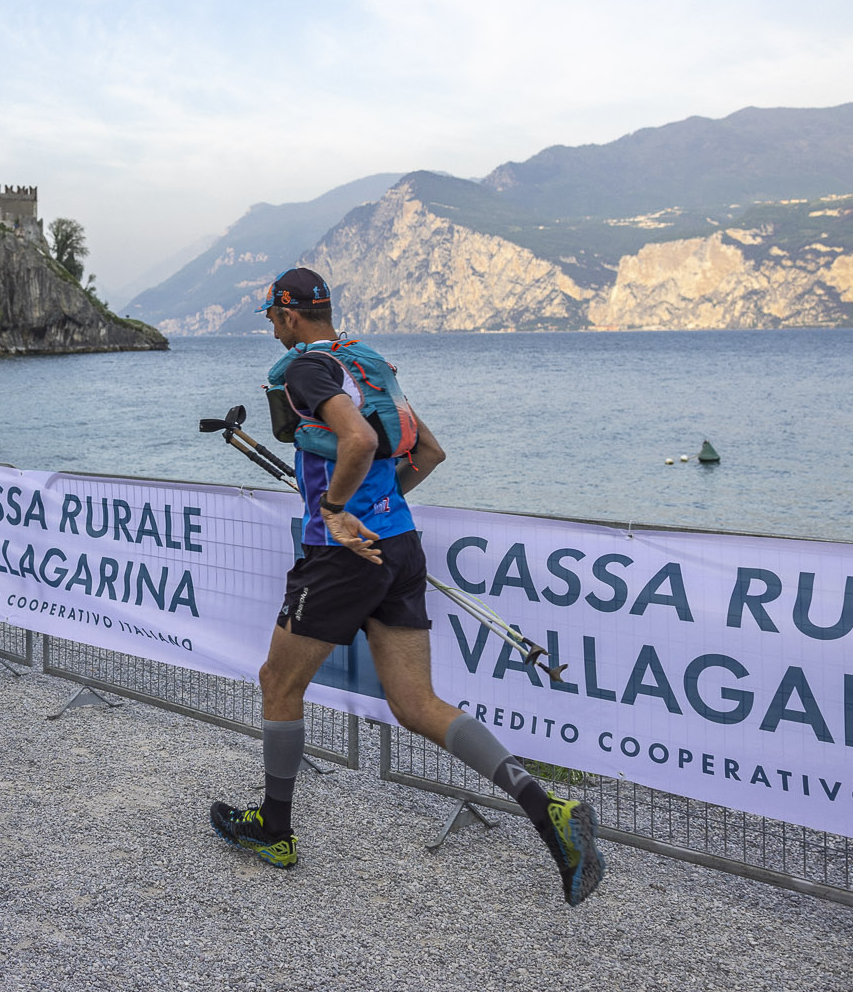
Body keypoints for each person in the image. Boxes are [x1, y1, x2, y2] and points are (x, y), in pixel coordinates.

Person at [208, 268, 606, 906]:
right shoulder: (368, 367)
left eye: (271, 318)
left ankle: (275, 831)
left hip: (340, 556)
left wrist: (338, 511)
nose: (272, 329)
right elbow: (428, 453)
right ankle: (549, 809)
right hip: (398, 546)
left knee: (277, 683)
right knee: (416, 704)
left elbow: (359, 440)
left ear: (286, 315)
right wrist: (379, 512)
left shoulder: (306, 370)